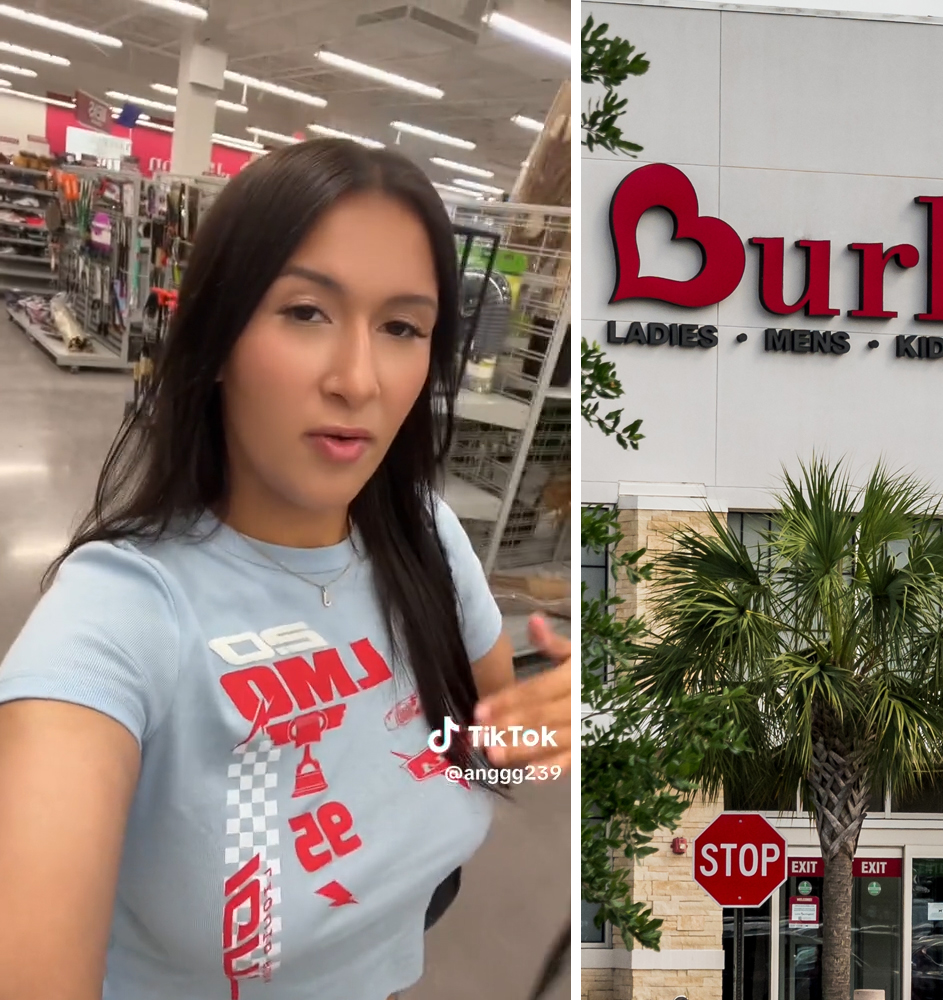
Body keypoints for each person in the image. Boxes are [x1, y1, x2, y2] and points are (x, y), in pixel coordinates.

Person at [0, 139, 572, 999]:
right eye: (306, 312)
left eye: (402, 328)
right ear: (220, 333)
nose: (358, 379)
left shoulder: (428, 538)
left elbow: (479, 747)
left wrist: (548, 730)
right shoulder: (118, 621)